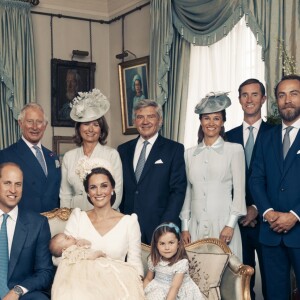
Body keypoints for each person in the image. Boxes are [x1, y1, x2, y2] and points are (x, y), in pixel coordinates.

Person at [61, 158, 144, 298]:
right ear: (88, 192)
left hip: (117, 287)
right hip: (81, 287)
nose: (99, 192)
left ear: (112, 189)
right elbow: (63, 257)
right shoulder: (78, 218)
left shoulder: (129, 222)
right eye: (93, 187)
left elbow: (135, 264)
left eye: (104, 186)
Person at [249, 74, 300, 299]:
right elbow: (256, 179)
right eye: (282, 95)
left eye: (293, 94)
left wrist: (295, 215)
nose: (287, 100)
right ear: (276, 101)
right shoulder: (266, 137)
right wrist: (268, 213)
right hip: (270, 233)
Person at [180, 92, 246, 260]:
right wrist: (185, 226)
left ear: (223, 122)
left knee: (226, 278)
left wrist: (230, 225)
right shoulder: (189, 154)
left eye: (216, 118)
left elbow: (239, 191)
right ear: (201, 121)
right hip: (195, 226)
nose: (211, 123)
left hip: (223, 225)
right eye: (206, 118)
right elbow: (188, 191)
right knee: (197, 276)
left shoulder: (234, 150)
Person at [226, 79, 272, 299]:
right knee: (241, 283)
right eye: (245, 95)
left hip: (267, 221)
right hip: (238, 224)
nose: (250, 99)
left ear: (263, 99)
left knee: (273, 281)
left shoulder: (275, 133)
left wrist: (256, 207)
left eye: (255, 94)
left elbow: (277, 179)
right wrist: (241, 210)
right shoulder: (228, 136)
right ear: (239, 100)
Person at [118, 99, 187, 244]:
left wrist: (166, 225)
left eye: (151, 116)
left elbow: (178, 191)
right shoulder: (123, 150)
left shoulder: (174, 149)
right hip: (127, 226)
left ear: (160, 120)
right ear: (134, 121)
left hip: (159, 226)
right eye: (140, 117)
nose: (145, 121)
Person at [60, 88, 123, 211]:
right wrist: (67, 220)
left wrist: (101, 218)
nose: (90, 129)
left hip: (105, 218)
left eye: (95, 124)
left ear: (101, 129)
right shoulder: (69, 157)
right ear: (78, 128)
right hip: (76, 217)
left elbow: (117, 193)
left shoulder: (112, 155)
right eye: (86, 124)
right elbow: (65, 195)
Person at [0, 162, 54, 300]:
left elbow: (45, 272)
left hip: (21, 294)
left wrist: (17, 290)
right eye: (7, 183)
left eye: (18, 184)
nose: (13, 190)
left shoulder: (38, 224)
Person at [0, 103, 61, 213]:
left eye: (39, 122)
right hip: (23, 224)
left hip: (52, 224)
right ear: (20, 123)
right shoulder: (5, 155)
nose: (34, 127)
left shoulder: (52, 158)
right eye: (30, 121)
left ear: (45, 126)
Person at [50, 232, 144, 300]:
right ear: (64, 249)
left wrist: (82, 241)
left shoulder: (74, 249)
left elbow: (88, 244)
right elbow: (88, 256)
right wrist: (97, 254)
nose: (70, 236)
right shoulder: (71, 251)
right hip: (86, 270)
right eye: (67, 238)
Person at [143, 222, 205, 300]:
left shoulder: (181, 263)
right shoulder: (154, 259)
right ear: (156, 246)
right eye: (162, 243)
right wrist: (143, 295)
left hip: (176, 292)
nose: (167, 247)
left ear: (178, 244)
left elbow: (174, 288)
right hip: (158, 289)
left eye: (171, 243)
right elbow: (148, 279)